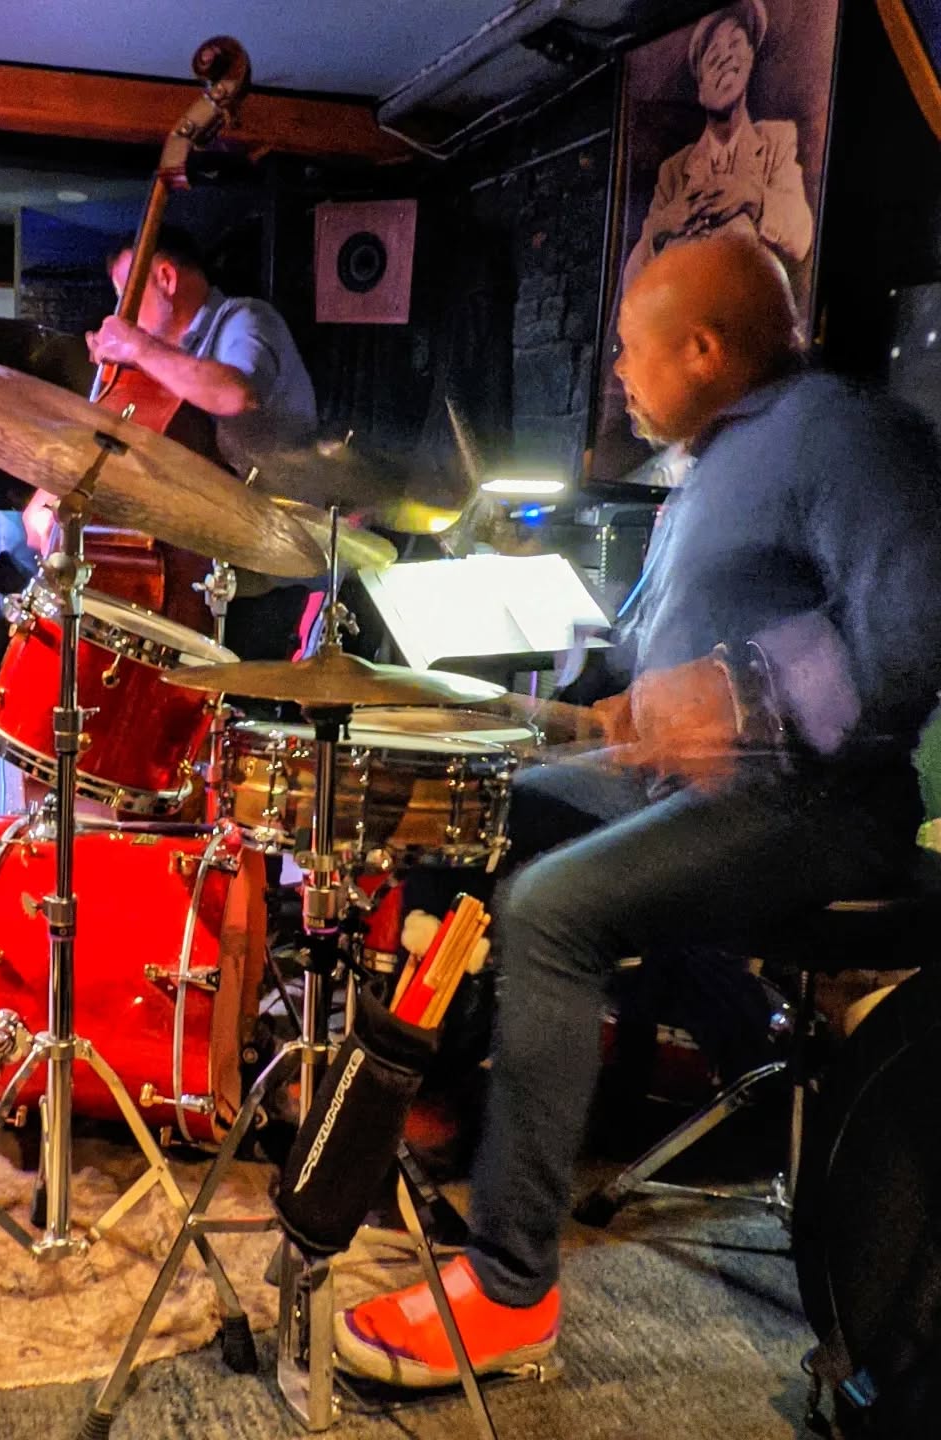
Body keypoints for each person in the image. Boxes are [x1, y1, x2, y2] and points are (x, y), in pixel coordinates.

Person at [335, 232, 941, 1385]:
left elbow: (916, 628)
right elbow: (673, 649)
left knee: (554, 910)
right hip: (702, 786)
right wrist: (616, 700)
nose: (617, 372)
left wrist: (744, 691)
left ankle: (510, 1290)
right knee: (472, 809)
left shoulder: (839, 432)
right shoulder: (716, 461)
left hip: (820, 804)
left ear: (702, 349)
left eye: (628, 349)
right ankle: (443, 1113)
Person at [23, 226, 319, 657]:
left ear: (166, 278)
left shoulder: (246, 319)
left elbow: (235, 394)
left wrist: (138, 348)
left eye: (127, 296)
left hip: (260, 579)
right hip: (199, 571)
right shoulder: (163, 361)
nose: (122, 316)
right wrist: (54, 491)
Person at [622, 0, 812, 293]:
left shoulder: (777, 140)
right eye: (713, 57)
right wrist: (661, 227)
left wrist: (751, 197)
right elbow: (632, 288)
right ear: (700, 89)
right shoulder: (674, 170)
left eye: (736, 44)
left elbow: (801, 236)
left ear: (751, 58)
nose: (726, 58)